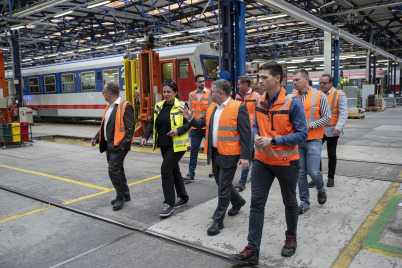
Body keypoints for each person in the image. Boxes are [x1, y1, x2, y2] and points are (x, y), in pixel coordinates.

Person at [230, 62, 307, 265]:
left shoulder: (293, 103)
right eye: (259, 77)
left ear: (278, 79)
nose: (260, 81)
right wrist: (256, 136)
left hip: (286, 162)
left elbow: (302, 135)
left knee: (290, 202)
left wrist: (273, 141)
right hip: (262, 161)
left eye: (264, 77)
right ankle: (252, 250)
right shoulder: (260, 100)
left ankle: (291, 237)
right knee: (256, 204)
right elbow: (256, 126)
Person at [180, 79, 250, 236]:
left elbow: (246, 134)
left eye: (211, 91)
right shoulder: (212, 107)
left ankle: (218, 221)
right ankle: (238, 201)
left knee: (223, 187)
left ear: (220, 93)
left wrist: (245, 156)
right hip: (215, 152)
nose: (209, 93)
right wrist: (190, 118)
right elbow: (200, 123)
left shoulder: (239, 108)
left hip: (230, 154)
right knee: (221, 183)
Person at [140, 81, 190, 218]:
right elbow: (152, 122)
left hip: (177, 145)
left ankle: (169, 203)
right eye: (164, 92)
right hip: (164, 144)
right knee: (174, 171)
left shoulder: (182, 106)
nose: (166, 94)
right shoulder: (158, 106)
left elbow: (189, 124)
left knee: (165, 170)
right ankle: (183, 197)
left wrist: (177, 131)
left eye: (169, 92)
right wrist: (145, 136)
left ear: (175, 92)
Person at [91, 82, 135, 211]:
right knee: (118, 170)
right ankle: (126, 195)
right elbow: (105, 126)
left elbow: (130, 128)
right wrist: (96, 137)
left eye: (103, 92)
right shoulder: (109, 107)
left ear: (109, 93)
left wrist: (123, 145)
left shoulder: (124, 106)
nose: (103, 94)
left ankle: (120, 197)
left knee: (113, 171)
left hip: (118, 146)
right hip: (109, 145)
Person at [293, 69, 331, 215]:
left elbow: (327, 118)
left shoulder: (319, 96)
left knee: (313, 171)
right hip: (297, 141)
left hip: (314, 139)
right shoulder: (291, 97)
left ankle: (321, 188)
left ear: (306, 79)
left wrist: (310, 125)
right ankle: (304, 202)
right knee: (300, 173)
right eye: (293, 80)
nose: (294, 83)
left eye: (297, 80)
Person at [309, 74, 348, 188]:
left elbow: (343, 112)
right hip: (318, 128)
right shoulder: (317, 94)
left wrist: (339, 128)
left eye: (324, 83)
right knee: (315, 154)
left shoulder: (338, 94)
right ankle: (317, 177)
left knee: (331, 154)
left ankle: (331, 178)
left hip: (332, 129)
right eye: (320, 83)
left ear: (331, 83)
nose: (322, 85)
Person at [183, 74, 212, 184]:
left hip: (206, 126)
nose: (202, 83)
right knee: (194, 151)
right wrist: (190, 125)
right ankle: (191, 173)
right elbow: (189, 112)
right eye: (200, 81)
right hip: (195, 127)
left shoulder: (209, 94)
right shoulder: (191, 95)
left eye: (203, 81)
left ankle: (215, 170)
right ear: (196, 83)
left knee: (211, 149)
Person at [234, 76, 260, 191]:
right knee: (252, 153)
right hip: (239, 129)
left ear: (245, 85)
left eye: (239, 84)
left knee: (246, 154)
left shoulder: (256, 97)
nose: (237, 86)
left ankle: (242, 181)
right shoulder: (238, 95)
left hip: (250, 130)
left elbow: (259, 115)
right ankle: (259, 168)